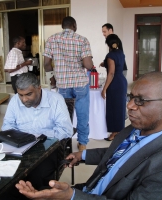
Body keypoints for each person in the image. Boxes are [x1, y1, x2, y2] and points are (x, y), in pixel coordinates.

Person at [16, 71, 162, 200]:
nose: (129, 106)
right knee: (28, 192)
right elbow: (118, 154)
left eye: (141, 100)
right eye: (131, 97)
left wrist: (72, 196)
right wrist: (82, 155)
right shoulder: (138, 128)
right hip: (90, 189)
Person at [0, 73, 72, 199]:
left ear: (39, 88)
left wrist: (36, 136)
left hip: (46, 147)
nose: (24, 100)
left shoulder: (55, 100)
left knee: (39, 179)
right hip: (19, 146)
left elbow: (65, 131)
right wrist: (22, 137)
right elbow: (6, 126)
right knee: (7, 177)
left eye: (28, 94)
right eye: (20, 95)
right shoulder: (15, 101)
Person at [43, 16, 94, 151]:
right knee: (82, 115)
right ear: (74, 25)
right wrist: (90, 63)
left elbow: (46, 64)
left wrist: (52, 77)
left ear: (63, 26)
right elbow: (88, 65)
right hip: (80, 84)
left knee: (64, 116)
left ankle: (65, 145)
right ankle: (82, 144)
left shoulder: (52, 39)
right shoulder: (82, 40)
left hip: (63, 85)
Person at [101, 34, 127, 141]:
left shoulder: (110, 55)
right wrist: (104, 64)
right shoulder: (121, 53)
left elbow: (111, 73)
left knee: (113, 108)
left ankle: (114, 133)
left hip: (115, 83)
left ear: (109, 44)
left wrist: (104, 89)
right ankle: (119, 132)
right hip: (122, 82)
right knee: (119, 108)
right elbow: (117, 65)